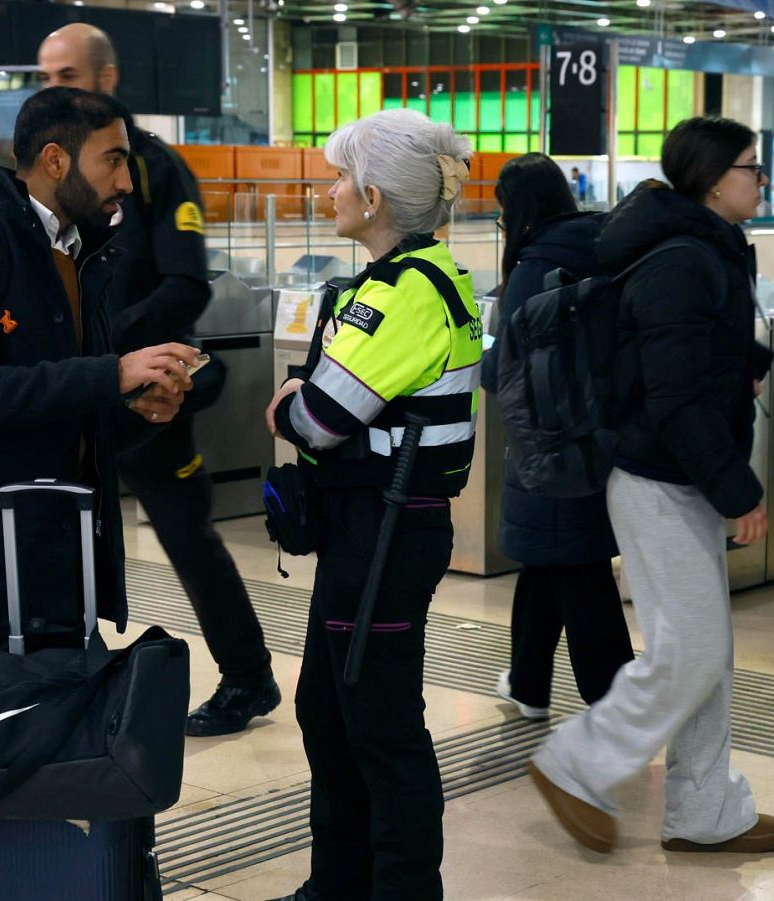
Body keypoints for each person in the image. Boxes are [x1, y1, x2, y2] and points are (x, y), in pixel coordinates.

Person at [527, 117, 774, 857]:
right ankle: (577, 762)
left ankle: (705, 809)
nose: (759, 179)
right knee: (692, 648)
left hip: (681, 480)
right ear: (711, 177)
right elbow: (673, 399)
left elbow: (689, 352)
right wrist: (741, 490)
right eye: (750, 166)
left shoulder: (706, 249)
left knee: (709, 649)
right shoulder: (682, 258)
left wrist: (747, 357)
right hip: (657, 481)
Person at [0, 87, 200, 646]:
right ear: (56, 160)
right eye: (113, 159)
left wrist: (134, 407)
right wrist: (112, 375)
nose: (126, 181)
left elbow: (64, 408)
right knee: (5, 726)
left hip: (67, 548)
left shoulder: (83, 253)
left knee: (75, 719)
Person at [262, 108, 480, 901]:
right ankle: (339, 883)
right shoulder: (424, 277)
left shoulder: (400, 294)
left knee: (379, 722)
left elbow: (317, 419)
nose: (328, 191)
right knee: (329, 706)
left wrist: (289, 403)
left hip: (387, 529)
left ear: (376, 195)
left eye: (339, 177)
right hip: (373, 527)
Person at [38, 23, 278, 737]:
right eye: (46, 77)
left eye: (69, 76)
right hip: (72, 387)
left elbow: (185, 284)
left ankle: (248, 677)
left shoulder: (152, 168)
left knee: (185, 533)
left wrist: (115, 350)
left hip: (147, 393)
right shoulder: (44, 172)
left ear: (106, 80)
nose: (54, 89)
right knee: (58, 532)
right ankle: (70, 681)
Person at [479, 153, 634, 721]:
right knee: (549, 559)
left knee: (576, 568)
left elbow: (503, 371)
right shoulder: (604, 248)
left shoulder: (532, 266)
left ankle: (615, 704)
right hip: (597, 435)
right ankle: (527, 683)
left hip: (545, 441)